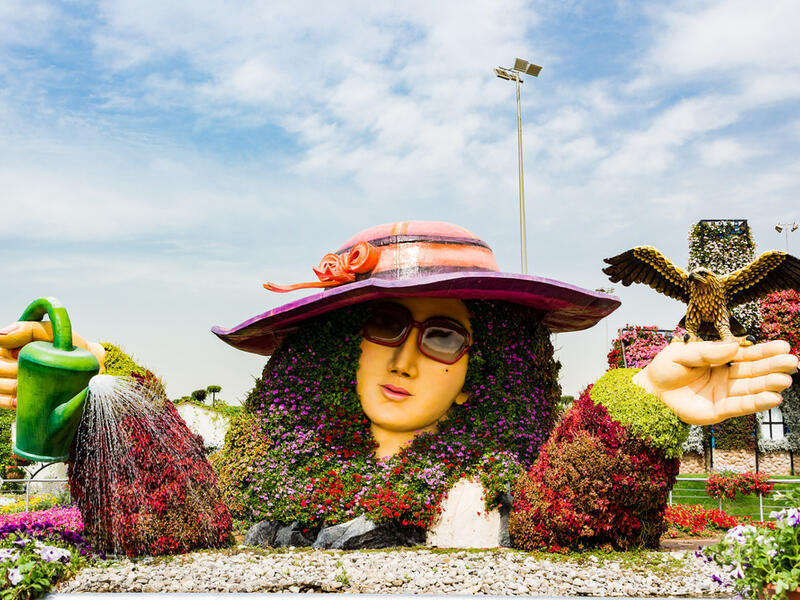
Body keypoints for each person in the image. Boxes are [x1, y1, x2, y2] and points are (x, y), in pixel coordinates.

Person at [1, 221, 796, 547]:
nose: (406, 359)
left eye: (443, 333)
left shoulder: (509, 492)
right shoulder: (263, 478)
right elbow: (174, 532)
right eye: (382, 325)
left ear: (490, 363)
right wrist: (104, 390)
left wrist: (642, 404)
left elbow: (573, 532)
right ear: (336, 345)